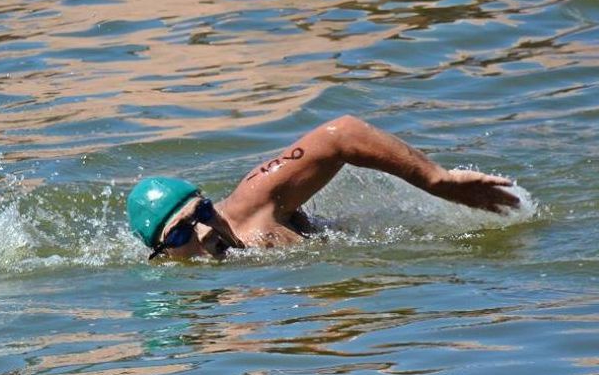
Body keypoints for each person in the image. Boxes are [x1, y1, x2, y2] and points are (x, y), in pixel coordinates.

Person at [127, 115, 520, 260]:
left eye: (204, 211)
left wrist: (438, 180)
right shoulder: (178, 291)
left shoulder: (252, 204)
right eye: (180, 232)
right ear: (162, 255)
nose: (204, 230)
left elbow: (341, 134)